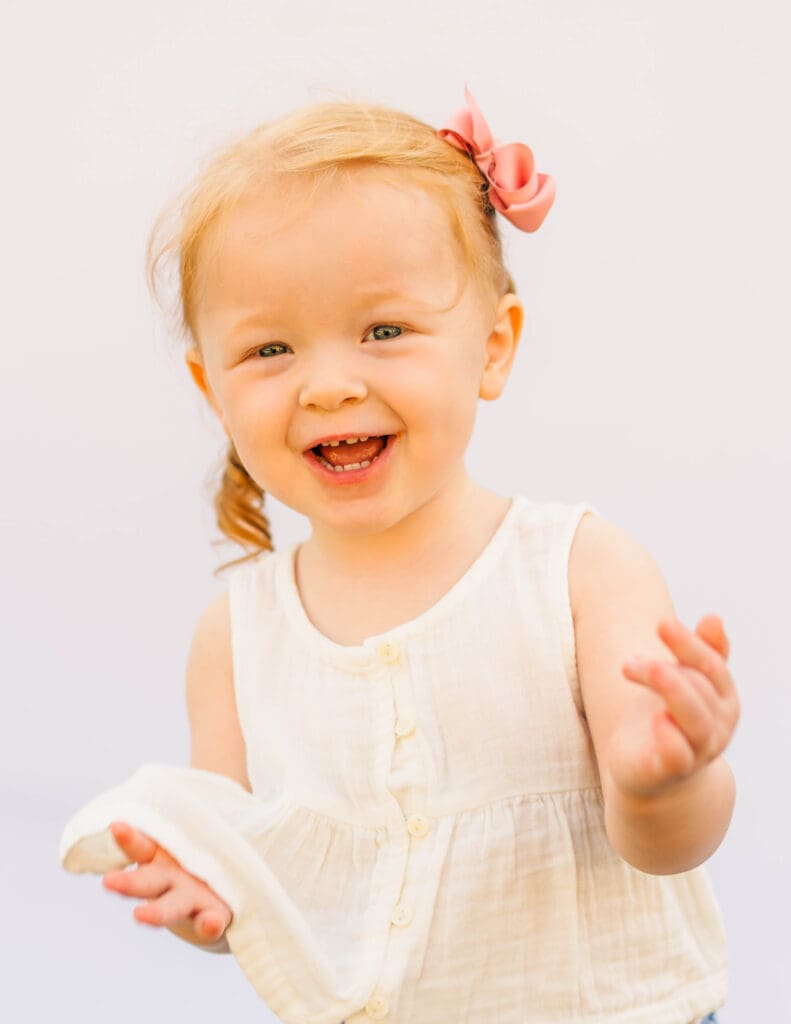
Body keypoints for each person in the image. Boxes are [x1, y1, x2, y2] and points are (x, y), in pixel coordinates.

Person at [59, 88, 739, 1024]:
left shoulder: (580, 572)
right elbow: (241, 872)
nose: (331, 384)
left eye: (384, 331)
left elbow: (665, 847)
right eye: (269, 348)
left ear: (492, 347)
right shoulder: (236, 636)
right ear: (210, 389)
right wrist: (198, 902)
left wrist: (667, 780)